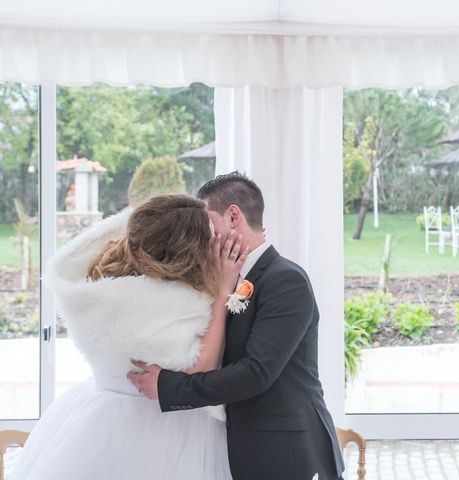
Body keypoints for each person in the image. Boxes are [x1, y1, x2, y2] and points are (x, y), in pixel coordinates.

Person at [129, 172, 346, 480]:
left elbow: (256, 373)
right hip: (250, 450)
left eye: (208, 226)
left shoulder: (285, 279)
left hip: (289, 453)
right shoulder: (227, 280)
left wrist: (168, 386)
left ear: (233, 216)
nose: (204, 238)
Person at [13, 195, 247, 480]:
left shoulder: (95, 288)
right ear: (187, 253)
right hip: (166, 432)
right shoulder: (176, 308)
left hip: (97, 415)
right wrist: (223, 290)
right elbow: (203, 367)